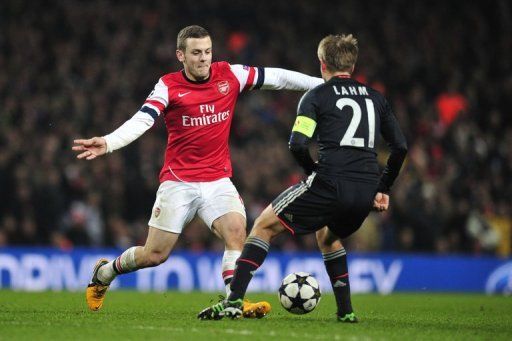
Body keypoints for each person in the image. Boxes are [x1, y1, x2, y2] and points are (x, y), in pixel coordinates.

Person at [73, 25, 323, 317]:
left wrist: (324, 84)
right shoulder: (168, 86)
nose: (203, 58)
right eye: (196, 53)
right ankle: (104, 273)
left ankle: (234, 301)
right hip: (178, 182)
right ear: (181, 55)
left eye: (207, 52)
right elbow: (143, 120)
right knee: (154, 255)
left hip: (218, 180)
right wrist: (109, 142)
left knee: (236, 232)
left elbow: (277, 78)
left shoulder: (229, 74)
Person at [198, 33, 407, 322]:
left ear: (322, 64)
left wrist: (313, 173)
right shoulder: (376, 98)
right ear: (353, 65)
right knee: (329, 237)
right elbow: (400, 147)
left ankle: (233, 301)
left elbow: (297, 143)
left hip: (329, 182)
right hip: (364, 190)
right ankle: (346, 312)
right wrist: (382, 187)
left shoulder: (317, 96)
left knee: (262, 226)